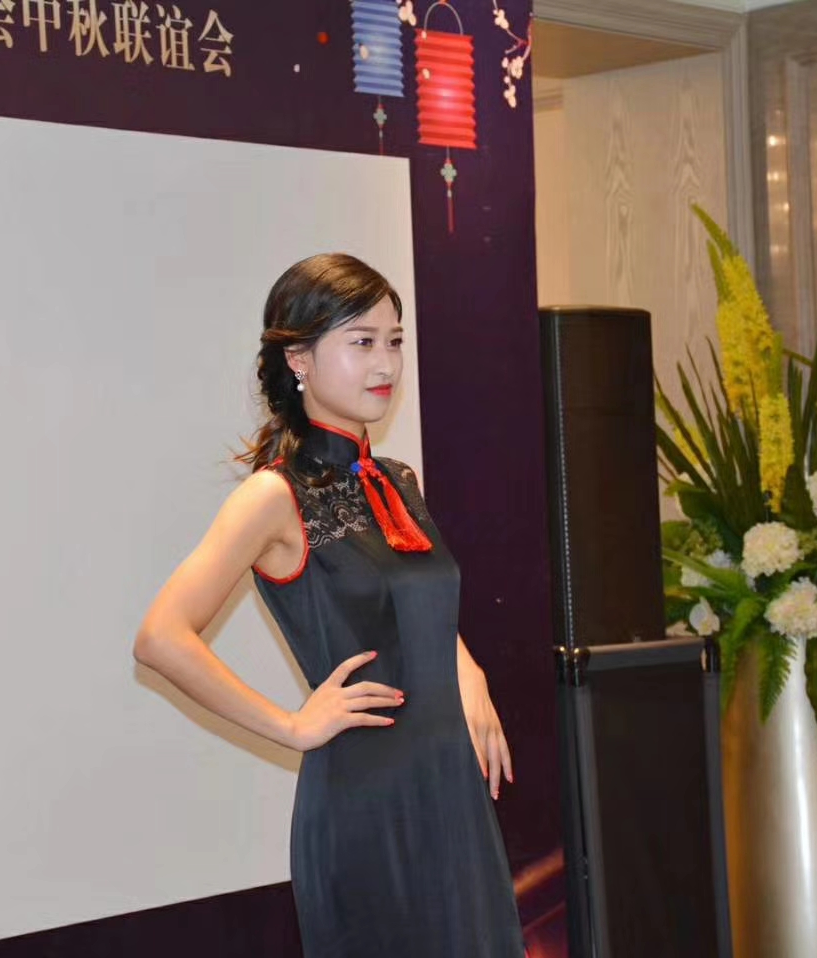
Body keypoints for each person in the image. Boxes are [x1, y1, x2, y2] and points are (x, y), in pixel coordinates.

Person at [133, 253, 525, 957]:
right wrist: (290, 725)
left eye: (395, 340)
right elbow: (161, 636)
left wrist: (468, 672)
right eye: (362, 341)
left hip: (449, 791)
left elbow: (419, 604)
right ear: (299, 359)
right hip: (365, 803)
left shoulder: (399, 479)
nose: (386, 363)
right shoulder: (272, 496)